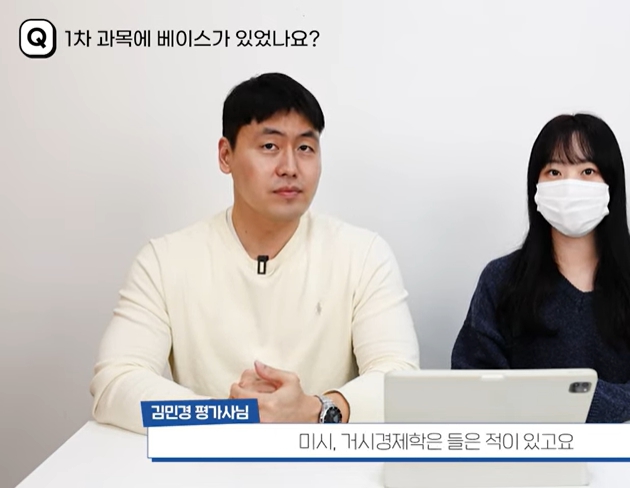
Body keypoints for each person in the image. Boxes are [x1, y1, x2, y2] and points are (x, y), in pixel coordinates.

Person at [90, 72, 420, 434]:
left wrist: (316, 410)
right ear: (225, 155)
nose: (290, 167)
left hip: (326, 461)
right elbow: (114, 383)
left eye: (305, 148)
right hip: (210, 460)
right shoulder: (164, 261)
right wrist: (230, 417)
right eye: (269, 146)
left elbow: (401, 380)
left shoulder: (363, 255)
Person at [450, 113, 630, 423]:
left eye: (587, 171)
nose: (570, 187)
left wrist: (591, 403)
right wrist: (550, 409)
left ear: (611, 184)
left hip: (629, 447)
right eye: (554, 172)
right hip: (533, 449)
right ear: (535, 186)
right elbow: (472, 379)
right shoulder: (501, 280)